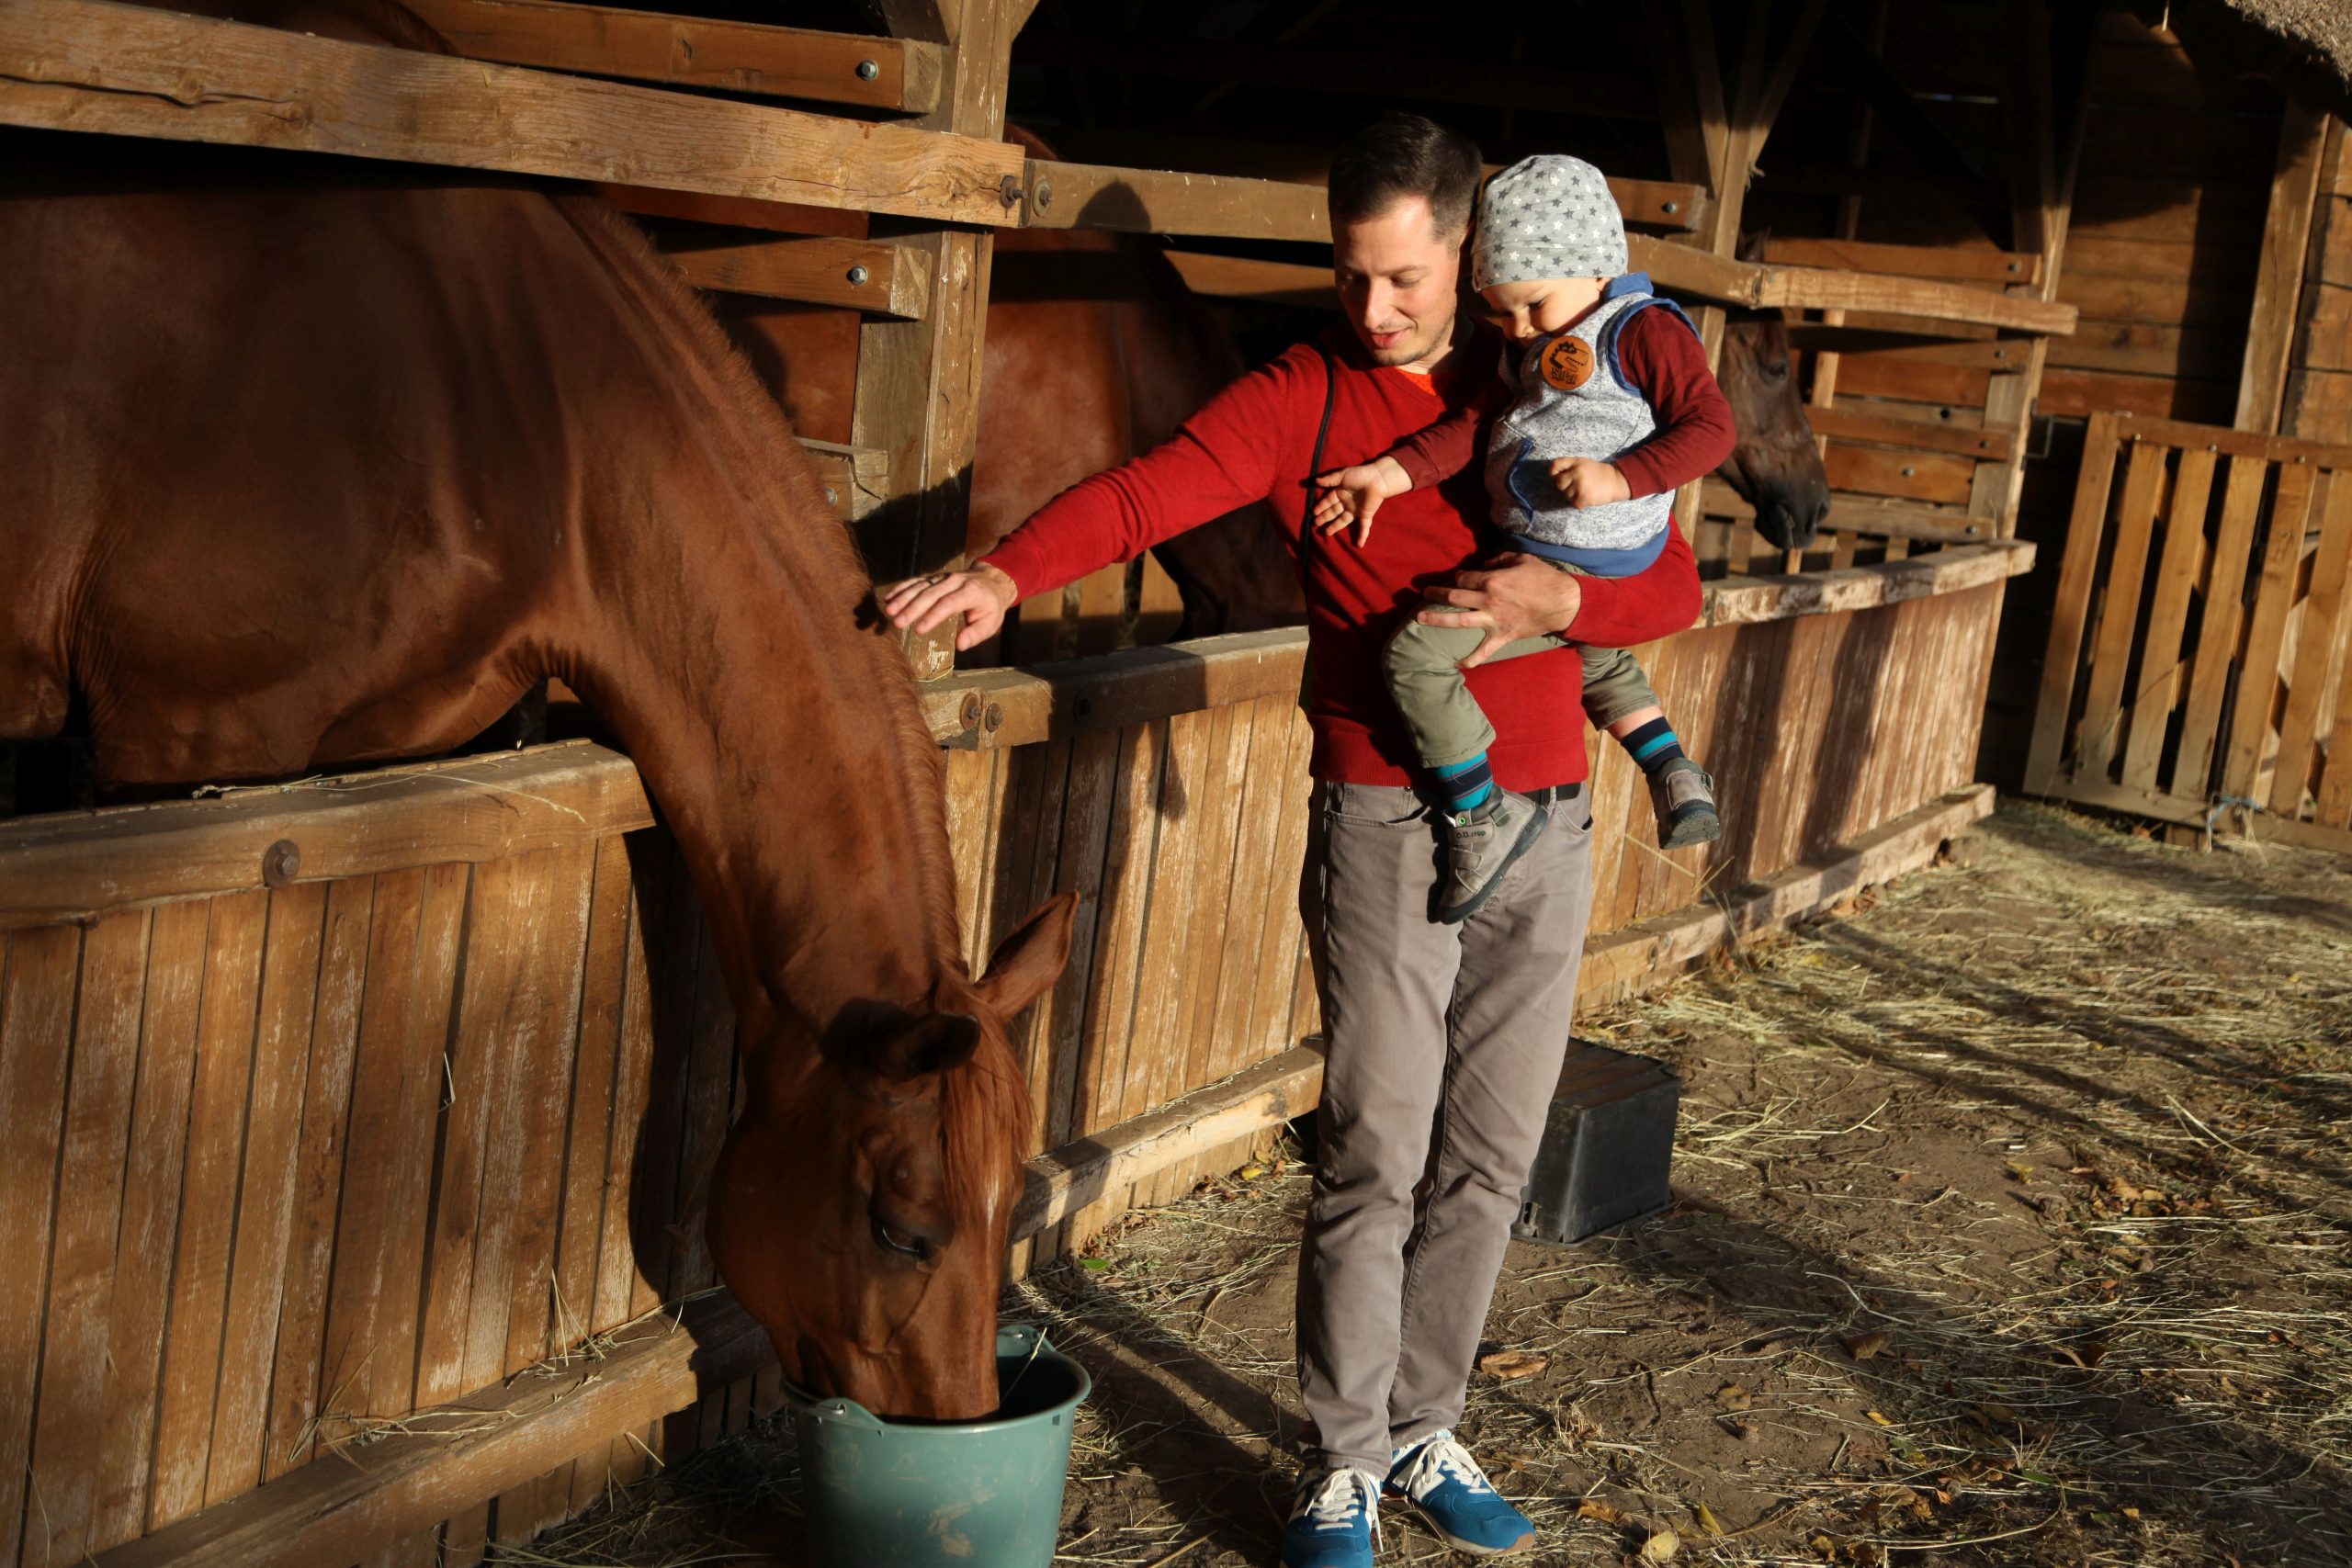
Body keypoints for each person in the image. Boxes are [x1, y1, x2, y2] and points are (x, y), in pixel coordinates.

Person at [882, 114, 1702, 1568]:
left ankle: (1422, 1424)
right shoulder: (1307, 395)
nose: (1374, 309)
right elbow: (1154, 489)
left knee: (1492, 1148)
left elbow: (1669, 585)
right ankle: (1341, 1463)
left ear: (1470, 249)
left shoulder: (1557, 376)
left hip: (1553, 815)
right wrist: (1010, 569)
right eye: (1352, 276)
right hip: (1390, 816)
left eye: (1404, 278)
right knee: (1379, 1142)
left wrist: (1549, 608)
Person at [1311, 152, 1732, 923]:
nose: (1518, 329)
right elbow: (1474, 427)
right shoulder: (1533, 339)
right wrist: (1394, 474)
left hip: (1586, 542)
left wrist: (1623, 478)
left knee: (1412, 655)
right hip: (1558, 549)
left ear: (1597, 265)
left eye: (1533, 306)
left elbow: (1712, 428)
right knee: (1597, 655)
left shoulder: (1644, 332)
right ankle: (1674, 771)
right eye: (1502, 313)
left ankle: (1479, 813)